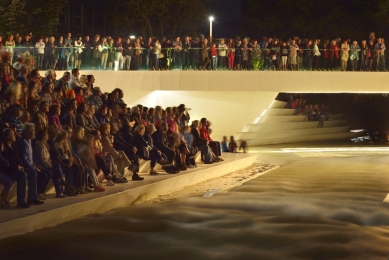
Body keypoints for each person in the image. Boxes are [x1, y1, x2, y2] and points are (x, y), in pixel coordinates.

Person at [16, 124, 50, 203]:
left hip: (31, 165)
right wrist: (34, 168)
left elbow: (30, 159)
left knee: (45, 173)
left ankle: (36, 195)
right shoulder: (22, 142)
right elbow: (24, 159)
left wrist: (34, 166)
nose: (35, 132)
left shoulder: (29, 140)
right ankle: (32, 198)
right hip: (24, 166)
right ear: (27, 132)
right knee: (34, 173)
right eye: (33, 130)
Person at [33, 130, 66, 198]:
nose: (48, 136)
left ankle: (59, 191)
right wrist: (49, 165)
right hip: (41, 166)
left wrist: (50, 163)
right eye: (46, 134)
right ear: (43, 136)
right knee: (54, 170)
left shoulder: (45, 144)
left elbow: (48, 157)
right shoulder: (39, 145)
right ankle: (59, 189)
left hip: (46, 164)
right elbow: (41, 159)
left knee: (56, 167)